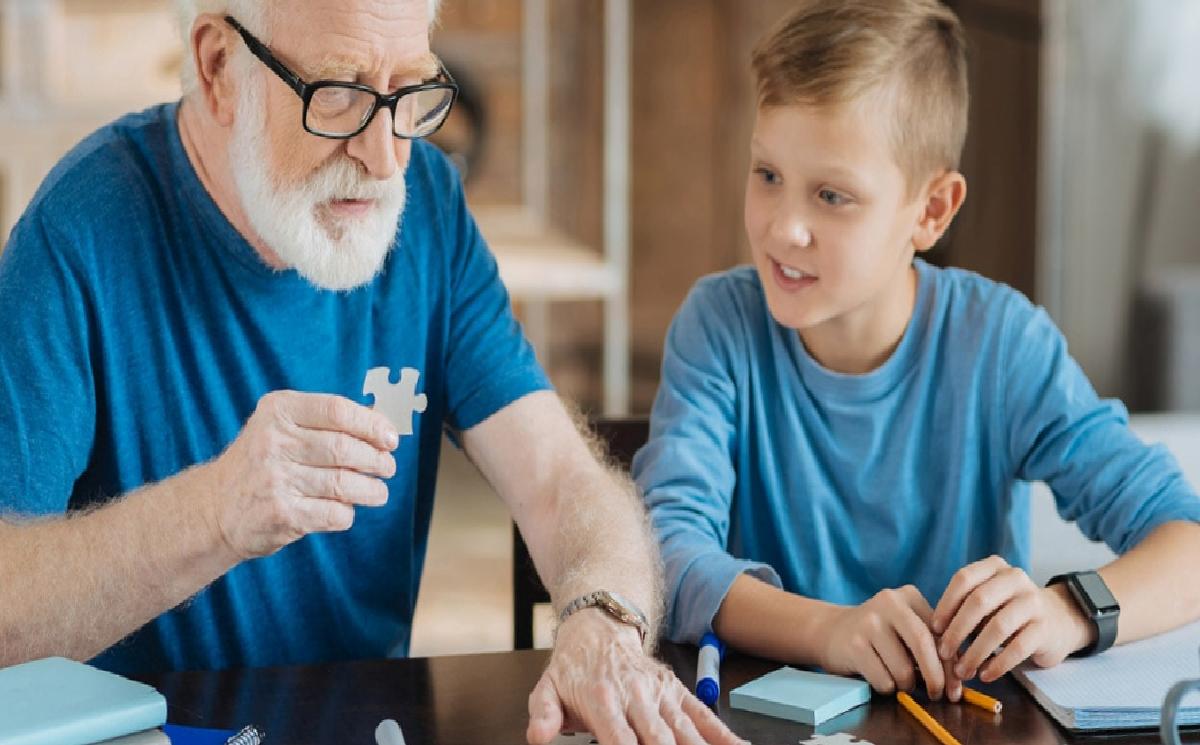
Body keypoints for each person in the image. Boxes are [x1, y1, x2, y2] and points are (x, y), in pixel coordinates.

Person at [0, 2, 745, 744]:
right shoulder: (81, 230)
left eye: (409, 91)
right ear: (219, 67)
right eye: (342, 94)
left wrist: (604, 621)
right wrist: (215, 513)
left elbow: (560, 478)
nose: (387, 158)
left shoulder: (427, 217)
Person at [634, 0, 1200, 704]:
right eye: (767, 173)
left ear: (932, 210)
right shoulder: (718, 326)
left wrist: (1069, 611)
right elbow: (665, 555)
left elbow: (1189, 541)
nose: (784, 228)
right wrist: (830, 630)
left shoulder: (1000, 345)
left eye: (832, 195)